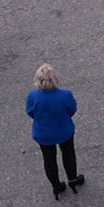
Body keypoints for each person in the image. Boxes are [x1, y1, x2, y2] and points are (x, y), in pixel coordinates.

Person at [26, 64, 85, 200]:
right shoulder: (65, 95)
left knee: (49, 159)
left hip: (43, 134)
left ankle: (57, 186)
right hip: (63, 131)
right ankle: (72, 179)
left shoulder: (33, 96)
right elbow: (72, 110)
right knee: (68, 153)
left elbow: (30, 111)